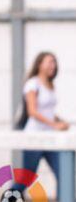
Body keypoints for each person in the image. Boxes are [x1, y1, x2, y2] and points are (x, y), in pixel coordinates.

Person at [22, 52, 68, 185]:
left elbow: (48, 111)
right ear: (40, 64)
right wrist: (55, 125)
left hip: (49, 137)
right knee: (24, 181)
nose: (53, 65)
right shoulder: (32, 84)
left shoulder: (50, 85)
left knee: (63, 174)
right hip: (34, 137)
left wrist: (59, 121)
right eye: (49, 62)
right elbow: (32, 112)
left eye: (54, 62)